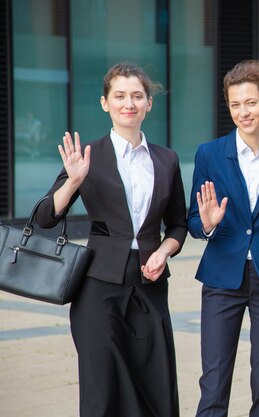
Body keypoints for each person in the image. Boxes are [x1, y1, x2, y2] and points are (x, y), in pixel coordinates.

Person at [36, 62, 187, 416]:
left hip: (149, 285)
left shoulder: (166, 160)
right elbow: (44, 218)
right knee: (102, 389)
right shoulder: (87, 156)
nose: (128, 103)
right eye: (119, 96)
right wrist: (72, 181)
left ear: (149, 103)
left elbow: (178, 225)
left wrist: (164, 252)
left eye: (137, 96)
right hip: (97, 286)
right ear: (106, 103)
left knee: (155, 384)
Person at [187, 60, 259, 417]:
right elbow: (193, 222)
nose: (243, 112)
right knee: (214, 381)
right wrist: (207, 224)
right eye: (235, 104)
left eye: (250, 102)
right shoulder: (209, 154)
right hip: (222, 276)